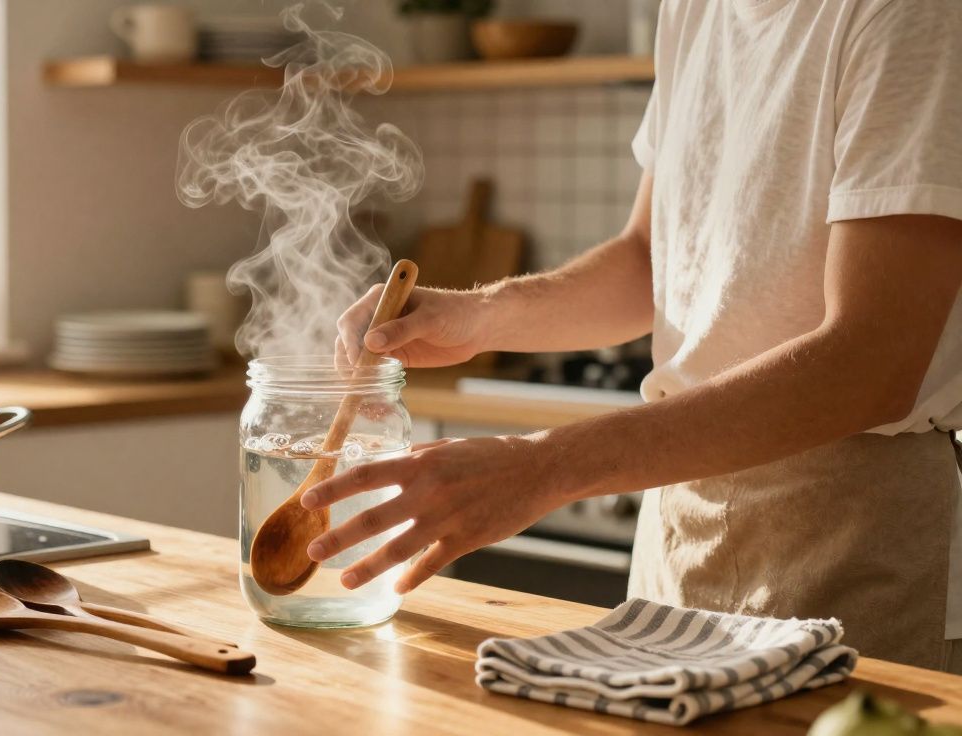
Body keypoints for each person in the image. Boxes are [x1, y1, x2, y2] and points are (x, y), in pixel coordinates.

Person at [306, 0, 962, 671]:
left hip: (852, 537)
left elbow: (872, 364)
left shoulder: (907, 14)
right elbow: (651, 257)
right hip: (677, 524)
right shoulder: (695, 9)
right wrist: (479, 315)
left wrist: (540, 467)